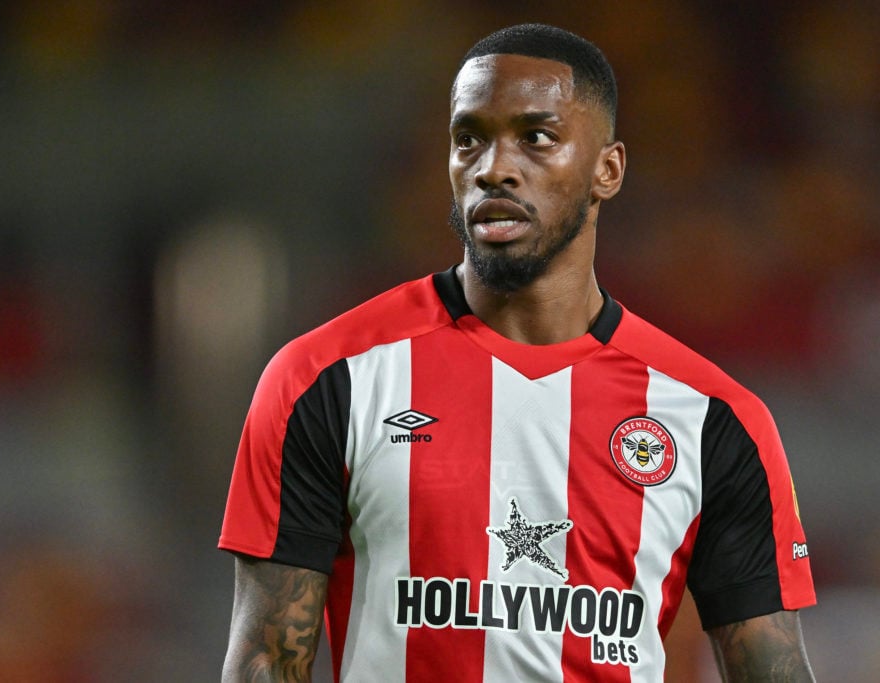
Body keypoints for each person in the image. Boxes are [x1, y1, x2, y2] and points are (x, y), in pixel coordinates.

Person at [219, 23, 816, 682]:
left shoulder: (713, 417)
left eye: (537, 137)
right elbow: (268, 660)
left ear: (607, 170)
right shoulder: (326, 378)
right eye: (468, 137)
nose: (494, 167)